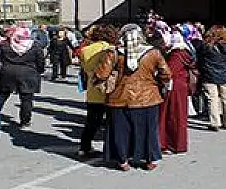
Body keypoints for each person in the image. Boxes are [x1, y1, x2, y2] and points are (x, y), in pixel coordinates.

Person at [95, 24, 172, 171]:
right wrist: (158, 82)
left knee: (120, 131)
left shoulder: (114, 53)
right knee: (149, 131)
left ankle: (122, 160)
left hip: (119, 98)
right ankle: (150, 160)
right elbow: (166, 74)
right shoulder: (153, 53)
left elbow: (102, 74)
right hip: (148, 98)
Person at [78, 24, 117, 157]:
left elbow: (84, 68)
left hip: (93, 88)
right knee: (111, 122)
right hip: (110, 89)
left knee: (92, 121)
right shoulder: (111, 49)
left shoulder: (85, 50)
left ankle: (84, 147)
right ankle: (110, 148)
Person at [0, 27, 45, 128]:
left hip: (8, 72)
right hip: (28, 73)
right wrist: (39, 71)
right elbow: (40, 61)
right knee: (26, 99)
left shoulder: (6, 45)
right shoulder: (34, 46)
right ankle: (25, 120)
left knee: (1, 96)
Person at [159, 29, 193, 154]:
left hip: (174, 87)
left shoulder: (176, 54)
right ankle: (175, 143)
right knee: (177, 115)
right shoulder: (184, 52)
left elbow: (169, 72)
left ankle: (172, 143)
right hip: (180, 86)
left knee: (173, 115)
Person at [197, 26, 226, 131]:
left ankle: (215, 122)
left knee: (212, 99)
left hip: (209, 75)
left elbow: (200, 60)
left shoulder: (205, 47)